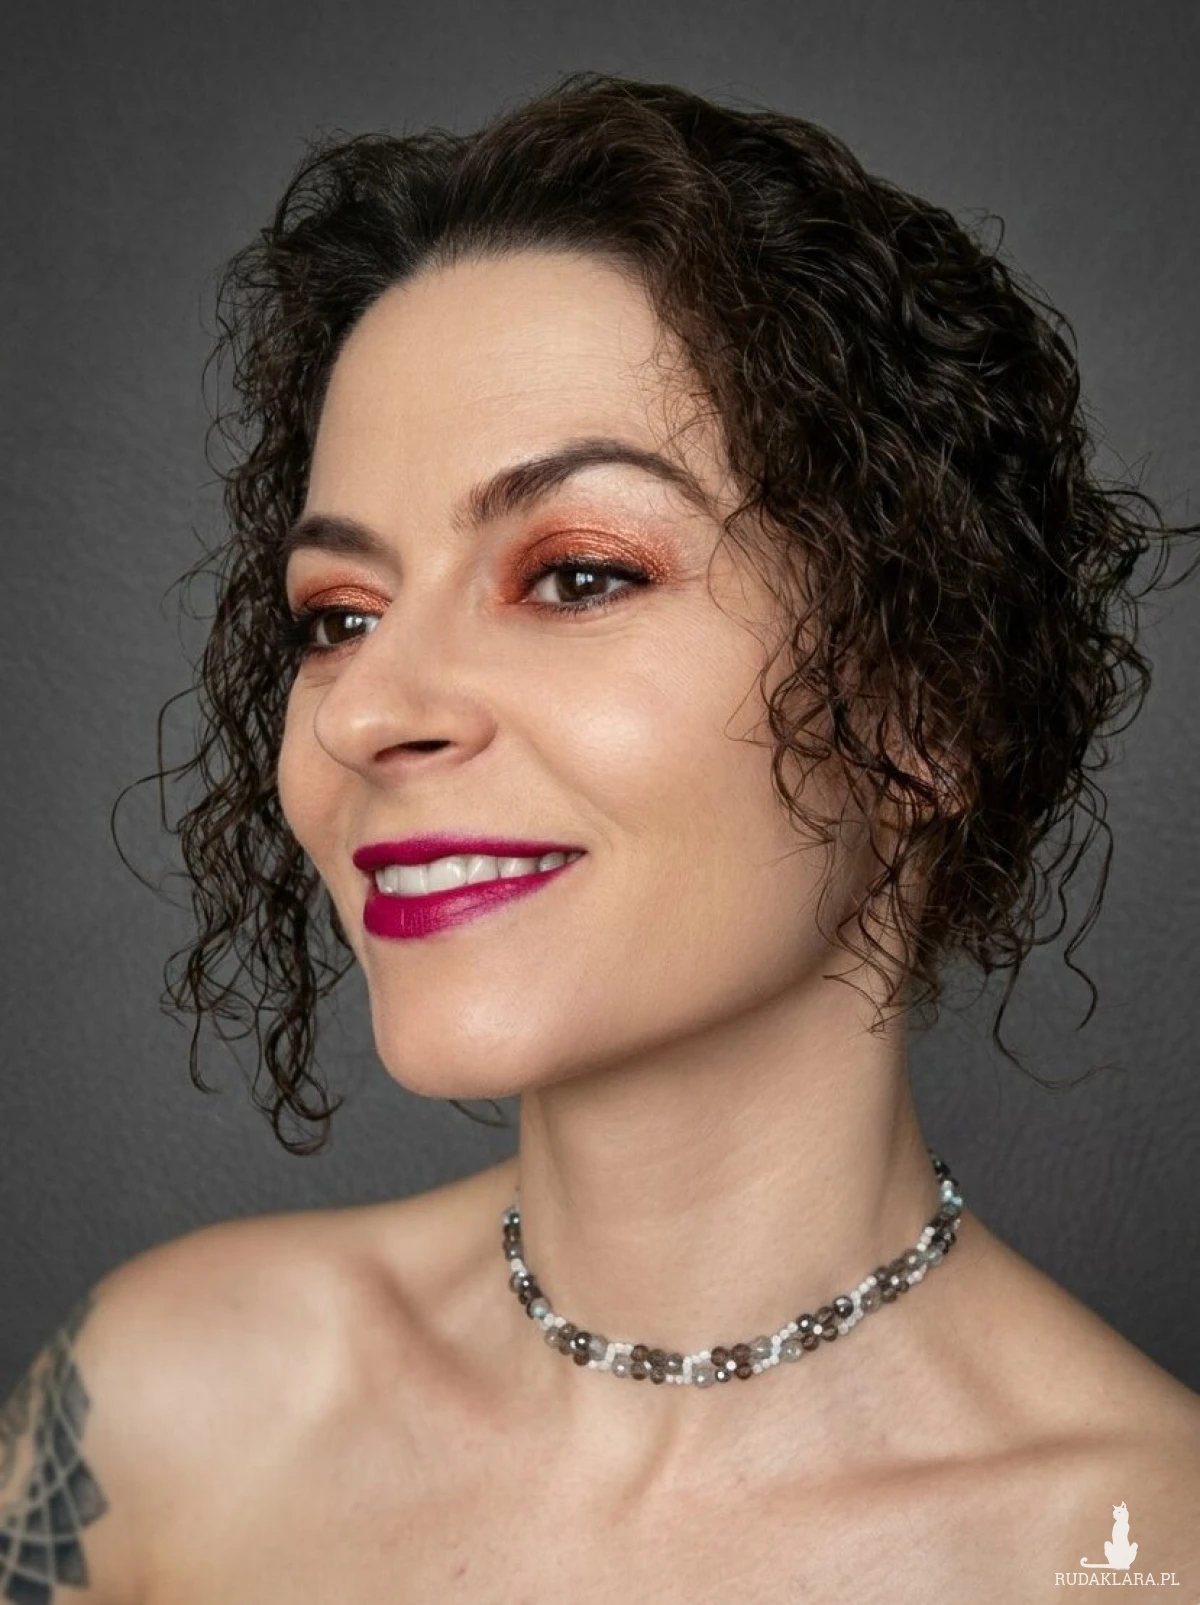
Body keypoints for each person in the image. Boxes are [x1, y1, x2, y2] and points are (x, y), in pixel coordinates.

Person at [3, 69, 1198, 1602]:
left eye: (575, 576)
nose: (371, 711)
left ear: (925, 705)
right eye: (340, 615)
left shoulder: (1137, 1556)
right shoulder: (165, 1411)